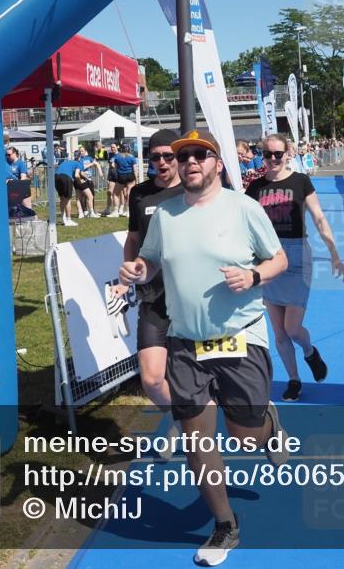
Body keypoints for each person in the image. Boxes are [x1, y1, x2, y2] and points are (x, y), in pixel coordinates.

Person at [118, 129, 289, 566]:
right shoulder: (165, 214)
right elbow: (150, 259)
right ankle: (225, 524)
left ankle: (268, 425)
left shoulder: (244, 208)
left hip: (240, 337)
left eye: (200, 154)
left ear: (217, 163)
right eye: (184, 156)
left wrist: (254, 276)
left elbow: (278, 259)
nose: (190, 161)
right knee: (197, 439)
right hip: (185, 342)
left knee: (245, 439)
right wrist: (138, 269)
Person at [246, 133, 344, 402]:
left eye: (277, 154)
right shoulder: (255, 187)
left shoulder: (301, 181)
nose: (272, 159)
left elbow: (319, 218)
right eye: (267, 154)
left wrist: (334, 255)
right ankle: (294, 380)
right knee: (279, 332)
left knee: (292, 329)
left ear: (288, 153)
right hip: (267, 257)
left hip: (297, 255)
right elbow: (244, 225)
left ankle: (309, 351)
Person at [122, 130, 184, 414]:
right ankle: (180, 419)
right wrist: (128, 275)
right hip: (153, 295)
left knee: (195, 374)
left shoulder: (192, 190)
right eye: (155, 157)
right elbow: (133, 239)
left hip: (189, 297)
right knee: (151, 379)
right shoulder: (139, 193)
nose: (162, 162)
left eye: (168, 156)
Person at [54, 154, 84, 227]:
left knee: (62, 198)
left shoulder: (66, 162)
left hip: (56, 176)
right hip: (66, 177)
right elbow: (76, 175)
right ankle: (69, 219)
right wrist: (80, 182)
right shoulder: (79, 164)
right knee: (67, 199)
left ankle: (63, 218)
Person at [73, 146, 99, 219]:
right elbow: (81, 173)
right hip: (82, 180)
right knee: (90, 196)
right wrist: (87, 178)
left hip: (76, 181)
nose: (81, 153)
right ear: (79, 155)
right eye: (80, 151)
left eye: (82, 151)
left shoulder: (74, 161)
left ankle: (81, 213)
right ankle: (90, 212)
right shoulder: (79, 162)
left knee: (78, 197)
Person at [112, 144, 137, 215]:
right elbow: (135, 170)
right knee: (129, 193)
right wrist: (136, 179)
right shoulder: (132, 157)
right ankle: (128, 211)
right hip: (130, 175)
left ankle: (116, 211)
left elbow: (115, 168)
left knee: (115, 194)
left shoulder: (117, 157)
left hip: (121, 176)